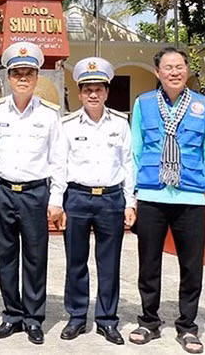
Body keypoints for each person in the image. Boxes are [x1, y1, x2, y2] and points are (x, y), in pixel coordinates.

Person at [128, 47, 205, 354]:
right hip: (151, 194)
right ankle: (149, 321)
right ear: (157, 72)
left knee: (191, 266)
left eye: (179, 66)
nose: (174, 72)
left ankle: (187, 326)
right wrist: (131, 197)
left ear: (187, 70)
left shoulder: (204, 106)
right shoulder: (143, 104)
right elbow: (134, 152)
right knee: (149, 263)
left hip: (191, 196)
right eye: (168, 67)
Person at [0, 41, 66, 345]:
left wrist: (56, 199)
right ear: (8, 77)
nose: (22, 78)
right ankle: (12, 315)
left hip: (35, 193)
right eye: (16, 73)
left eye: (28, 73)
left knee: (35, 257)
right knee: (5, 256)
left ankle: (33, 319)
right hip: (2, 190)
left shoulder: (49, 115)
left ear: (36, 77)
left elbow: (58, 160)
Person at [59, 57, 136, 345]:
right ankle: (77, 316)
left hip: (111, 199)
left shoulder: (120, 123)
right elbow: (59, 165)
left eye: (98, 89)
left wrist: (130, 202)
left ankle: (107, 320)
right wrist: (58, 202)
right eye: (87, 89)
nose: (93, 94)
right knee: (76, 261)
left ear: (107, 92)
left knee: (109, 263)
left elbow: (128, 164)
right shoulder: (67, 125)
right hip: (77, 197)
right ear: (79, 94)